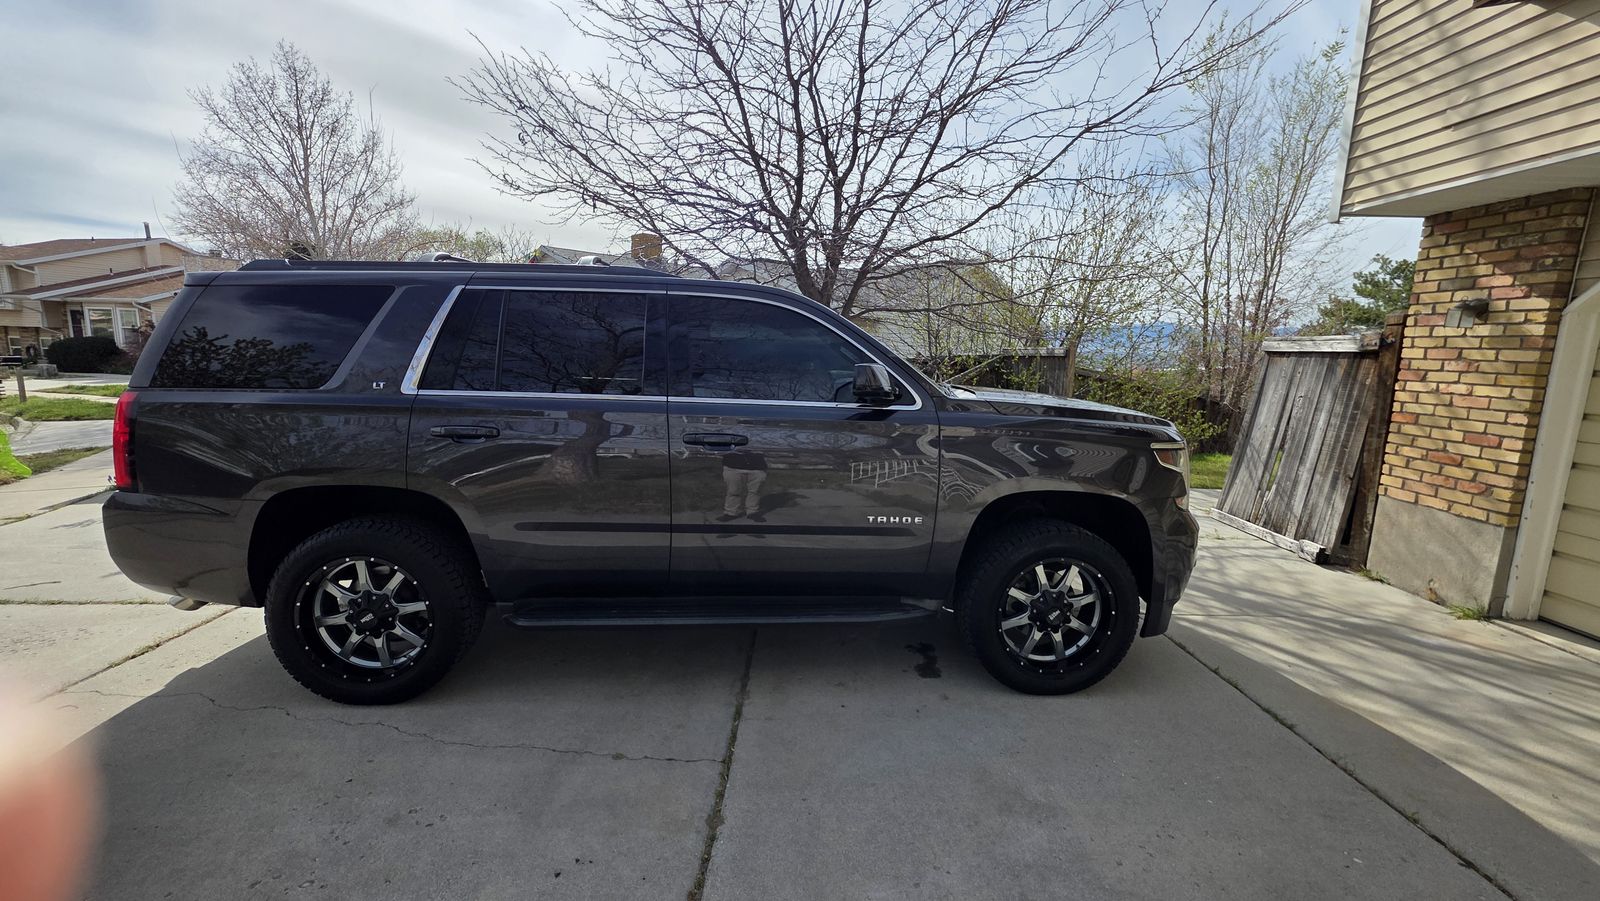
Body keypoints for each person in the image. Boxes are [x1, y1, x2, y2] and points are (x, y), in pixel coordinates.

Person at [718, 450, 768, 522]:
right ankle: (730, 513)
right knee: (733, 491)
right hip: (732, 466)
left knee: (755, 491)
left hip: (757, 466)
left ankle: (752, 512)